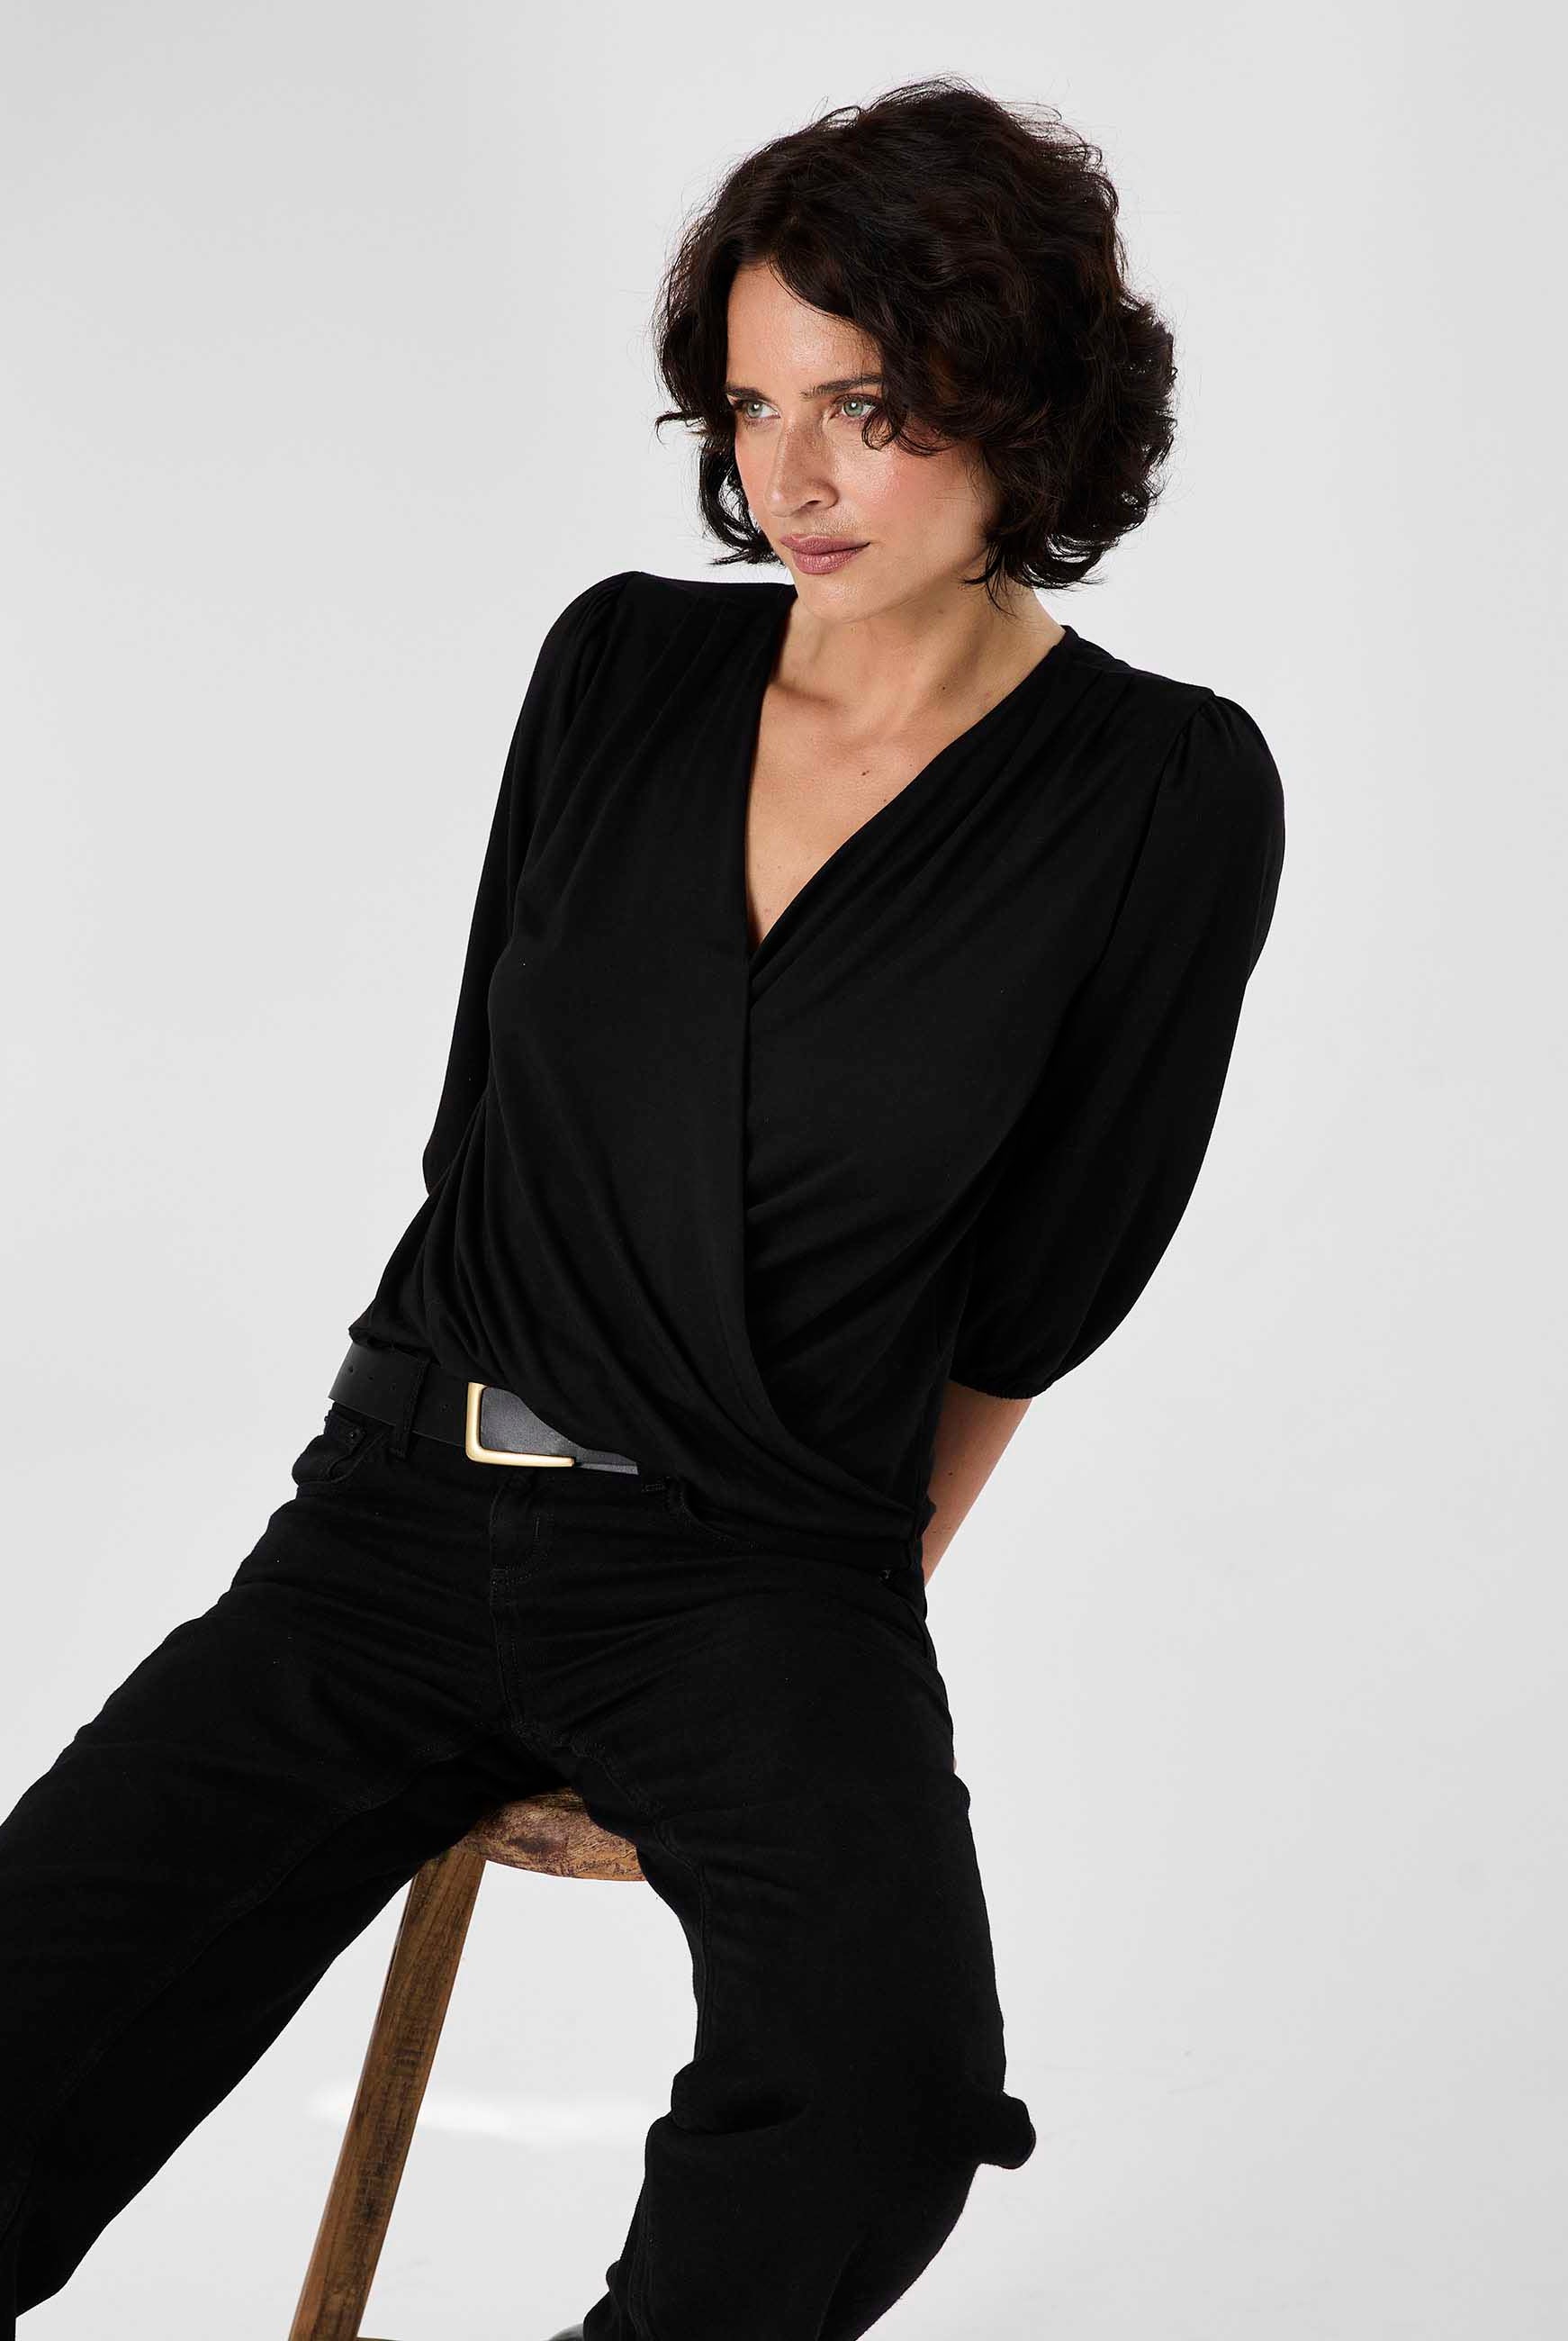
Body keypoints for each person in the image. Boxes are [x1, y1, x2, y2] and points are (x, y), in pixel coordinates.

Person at [0, 75, 1285, 2341]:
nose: (792, 479)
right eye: (752, 407)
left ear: (1021, 395)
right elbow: (484, 1127)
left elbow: (1042, 1282)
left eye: (865, 406)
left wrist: (820, 1618)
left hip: (758, 1560)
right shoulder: (619, 664)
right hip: (401, 1511)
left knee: (879, 2097)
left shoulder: (1161, 790)